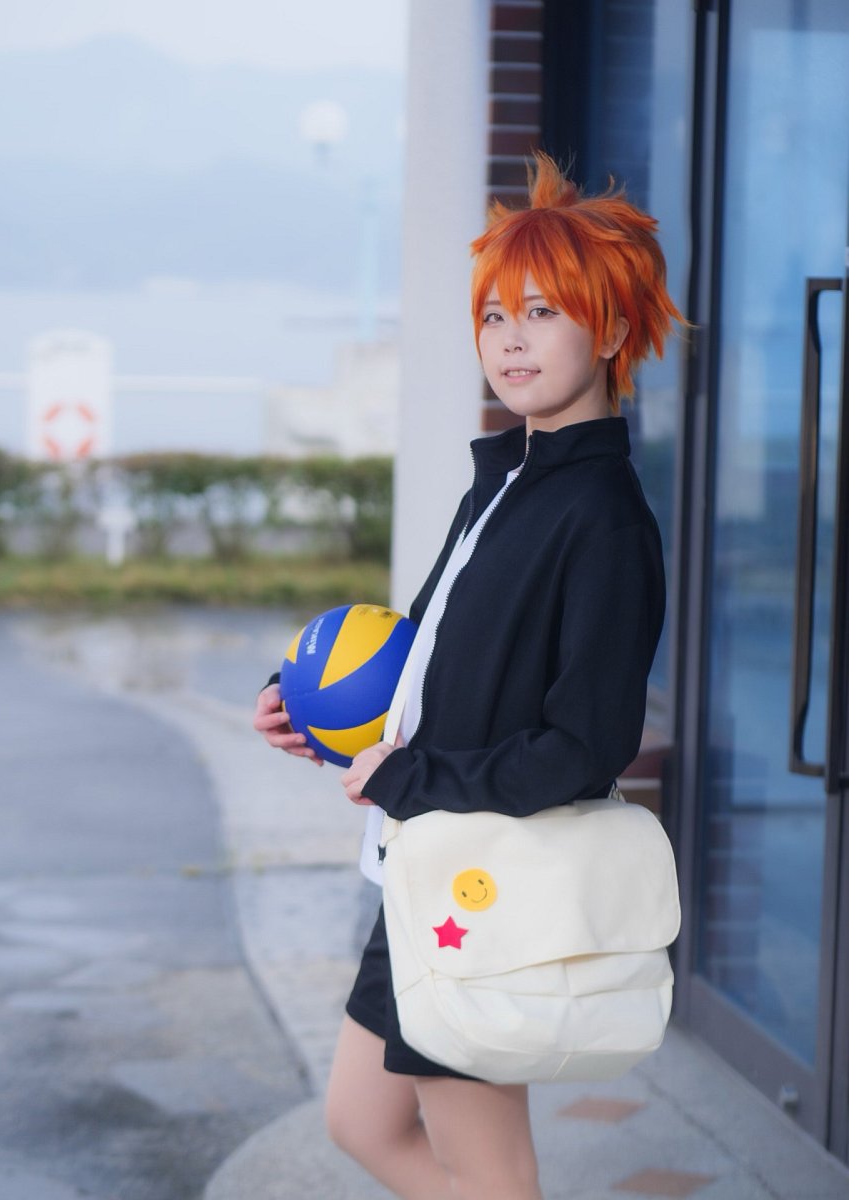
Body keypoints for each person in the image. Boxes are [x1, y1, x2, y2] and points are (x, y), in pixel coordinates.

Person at [254, 153, 684, 1200]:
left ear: (611, 330)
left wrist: (413, 779)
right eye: (494, 315)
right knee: (361, 1121)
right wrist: (322, 715)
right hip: (423, 865)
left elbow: (586, 747)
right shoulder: (505, 482)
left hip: (478, 883)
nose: (510, 339)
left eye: (542, 312)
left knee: (490, 1173)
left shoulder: (604, 520)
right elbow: (437, 652)